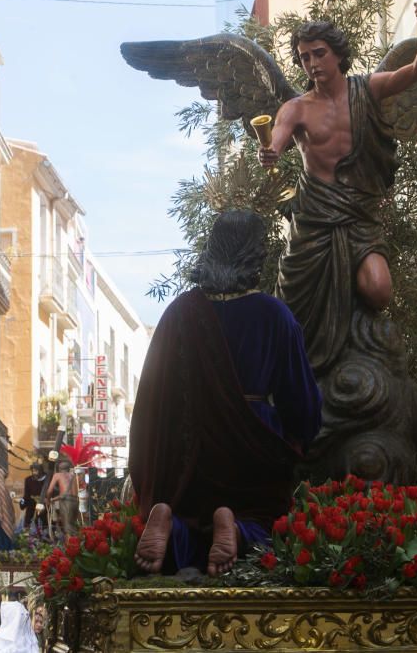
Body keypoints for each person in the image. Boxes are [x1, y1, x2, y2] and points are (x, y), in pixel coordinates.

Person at [131, 210, 322, 577]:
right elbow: (302, 405)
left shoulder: (178, 313)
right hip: (249, 451)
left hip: (185, 457)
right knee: (266, 517)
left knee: (187, 519)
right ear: (256, 256)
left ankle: (171, 525)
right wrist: (299, 437)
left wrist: (152, 472)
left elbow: (150, 400)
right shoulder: (274, 315)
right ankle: (235, 527)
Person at [258, 3, 417, 372]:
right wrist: (270, 153)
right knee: (294, 308)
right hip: (313, 219)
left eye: (319, 54)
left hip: (359, 214)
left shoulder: (367, 89)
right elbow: (276, 141)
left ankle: (356, 353)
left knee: (379, 289)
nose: (312, 63)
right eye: (304, 57)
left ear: (338, 54)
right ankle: (300, 374)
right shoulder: (296, 108)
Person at [46, 457, 78, 538]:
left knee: (68, 529)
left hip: (66, 502)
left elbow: (49, 491)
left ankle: (70, 548)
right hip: (75, 501)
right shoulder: (73, 475)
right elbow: (71, 494)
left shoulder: (57, 475)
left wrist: (48, 500)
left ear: (59, 468)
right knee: (73, 528)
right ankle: (76, 547)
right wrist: (54, 499)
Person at [20, 462, 47, 530]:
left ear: (40, 470)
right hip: (31, 504)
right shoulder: (28, 480)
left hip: (44, 504)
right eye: (33, 471)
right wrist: (22, 502)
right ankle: (29, 538)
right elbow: (26, 495)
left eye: (36, 470)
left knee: (44, 523)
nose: (34, 473)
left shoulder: (47, 479)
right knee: (29, 521)